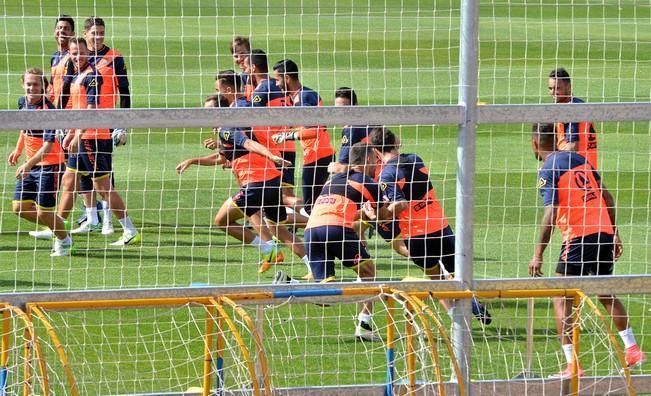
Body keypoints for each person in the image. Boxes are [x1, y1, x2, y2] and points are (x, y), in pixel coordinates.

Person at [529, 123, 645, 378]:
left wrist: (538, 253)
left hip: (579, 238)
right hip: (603, 232)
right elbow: (608, 197)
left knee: (561, 297)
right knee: (605, 291)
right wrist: (613, 233)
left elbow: (550, 213)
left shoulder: (549, 168)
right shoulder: (579, 158)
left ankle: (573, 365)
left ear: (535, 143)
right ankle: (632, 348)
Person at [370, 127, 491, 325]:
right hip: (440, 228)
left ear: (376, 152)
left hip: (416, 237)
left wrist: (380, 214)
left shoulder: (387, 175)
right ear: (396, 142)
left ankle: (456, 320)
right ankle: (473, 304)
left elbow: (400, 204)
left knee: (437, 279)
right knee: (457, 274)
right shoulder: (416, 160)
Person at [274, 143, 386, 341]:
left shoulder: (332, 181)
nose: (376, 164)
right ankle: (364, 326)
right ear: (367, 160)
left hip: (312, 230)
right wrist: (373, 215)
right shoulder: (368, 183)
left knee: (326, 296)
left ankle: (289, 284)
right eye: (374, 160)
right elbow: (383, 215)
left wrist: (362, 219)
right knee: (368, 272)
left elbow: (342, 206)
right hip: (336, 229)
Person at [59, 37, 140, 247]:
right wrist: (71, 132)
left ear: (89, 53)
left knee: (104, 188)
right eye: (74, 53)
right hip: (82, 136)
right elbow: (77, 107)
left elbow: (91, 109)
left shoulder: (92, 76)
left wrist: (77, 134)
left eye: (82, 52)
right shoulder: (78, 74)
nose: (78, 56)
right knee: (68, 181)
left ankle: (129, 230)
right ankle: (57, 230)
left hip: (93, 139)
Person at [70, 16, 131, 235]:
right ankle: (92, 218)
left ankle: (108, 221)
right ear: (85, 34)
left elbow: (124, 91)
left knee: (104, 173)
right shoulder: (79, 59)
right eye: (94, 33)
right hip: (81, 126)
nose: (98, 37)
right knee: (83, 171)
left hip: (104, 124)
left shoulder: (114, 58)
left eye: (101, 33)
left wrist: (121, 125)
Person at [8, 68, 72, 257]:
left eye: (36, 84)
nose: (31, 87)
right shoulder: (22, 103)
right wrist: (18, 150)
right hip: (31, 164)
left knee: (45, 213)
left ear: (44, 87)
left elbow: (48, 147)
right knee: (19, 208)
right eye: (28, 84)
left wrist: (27, 164)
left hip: (50, 166)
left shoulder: (48, 111)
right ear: (22, 85)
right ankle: (57, 224)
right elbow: (24, 130)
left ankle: (64, 241)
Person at [271, 59, 336, 215]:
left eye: (278, 79)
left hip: (316, 157)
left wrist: (287, 136)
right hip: (321, 154)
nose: (276, 84)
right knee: (315, 204)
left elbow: (315, 130)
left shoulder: (303, 99)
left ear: (287, 78)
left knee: (310, 208)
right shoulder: (306, 94)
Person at [548, 68, 598, 169]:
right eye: (550, 88)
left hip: (573, 171)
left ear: (569, 87)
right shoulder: (579, 104)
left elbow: (572, 147)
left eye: (557, 88)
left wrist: (551, 164)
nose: (553, 93)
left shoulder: (570, 109)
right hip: (587, 171)